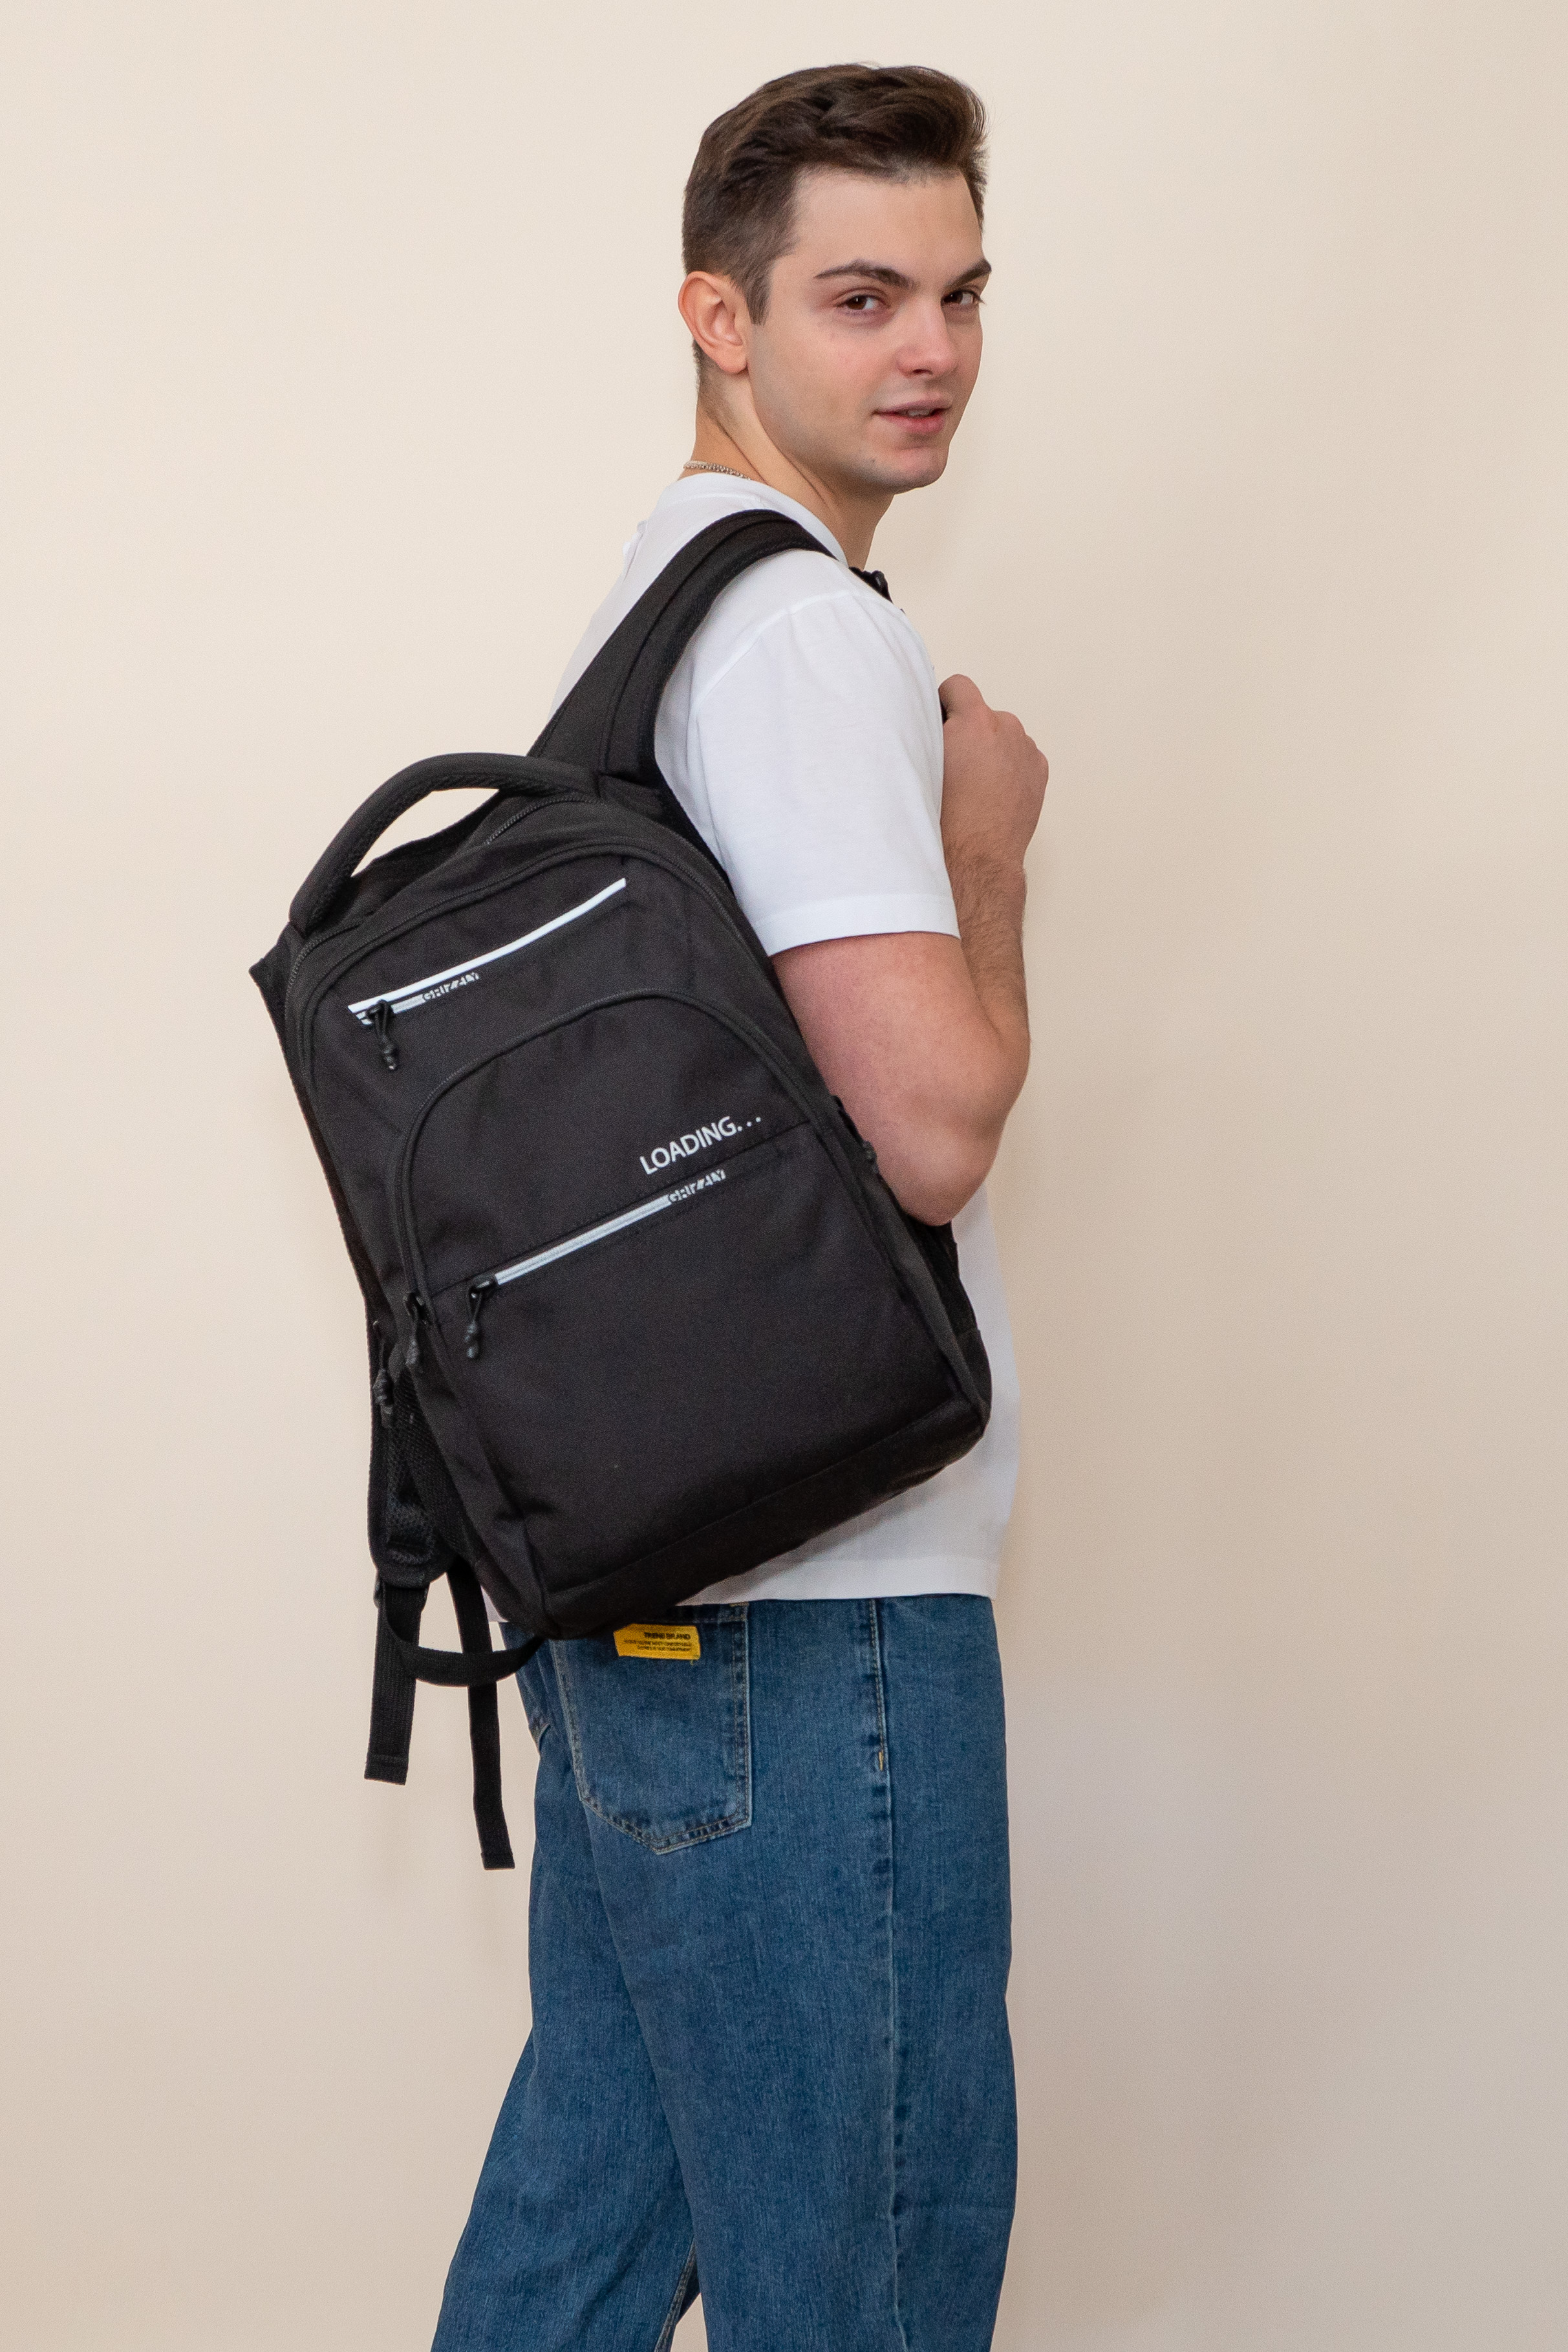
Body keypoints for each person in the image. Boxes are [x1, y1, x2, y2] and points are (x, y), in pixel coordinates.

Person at [432, 64, 1048, 2352]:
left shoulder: (659, 605)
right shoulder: (794, 633)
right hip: (820, 1611)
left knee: (579, 2253)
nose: (930, 351)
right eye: (859, 298)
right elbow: (932, 1129)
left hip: (660, 1591)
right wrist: (984, 845)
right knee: (864, 2276)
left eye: (960, 295)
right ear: (720, 317)